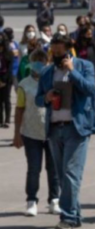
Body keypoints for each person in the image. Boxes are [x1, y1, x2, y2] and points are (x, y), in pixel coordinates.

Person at [35, 33, 95, 229]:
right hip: (55, 128)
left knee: (71, 173)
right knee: (63, 176)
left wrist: (73, 73)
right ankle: (75, 214)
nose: (56, 54)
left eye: (60, 51)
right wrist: (46, 96)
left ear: (69, 50)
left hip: (76, 127)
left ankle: (68, 217)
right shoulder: (47, 72)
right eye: (54, 51)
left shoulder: (84, 66)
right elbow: (37, 99)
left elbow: (91, 90)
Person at [12, 50, 60, 217]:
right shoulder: (24, 84)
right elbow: (19, 109)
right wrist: (17, 133)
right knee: (34, 168)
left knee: (53, 168)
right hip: (30, 132)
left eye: (43, 60)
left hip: (51, 131)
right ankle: (31, 201)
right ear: (30, 63)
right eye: (36, 60)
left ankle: (54, 200)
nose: (39, 63)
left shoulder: (53, 81)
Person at [0, 35, 13, 128]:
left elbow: (10, 68)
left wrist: (4, 80)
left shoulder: (8, 53)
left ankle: (7, 119)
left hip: (6, 79)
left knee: (6, 100)